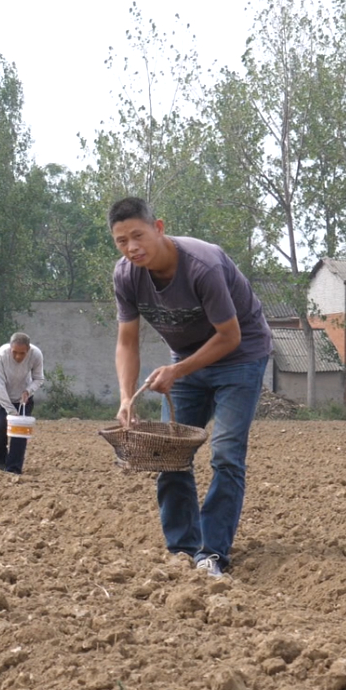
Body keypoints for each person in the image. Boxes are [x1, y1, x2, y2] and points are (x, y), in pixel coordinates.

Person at [110, 197, 272, 578]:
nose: (132, 247)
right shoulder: (126, 276)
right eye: (121, 241)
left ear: (159, 227)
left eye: (138, 235)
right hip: (185, 362)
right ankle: (183, 550)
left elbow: (230, 336)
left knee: (226, 454)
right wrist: (124, 397)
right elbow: (127, 342)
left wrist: (177, 371)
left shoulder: (203, 265)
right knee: (171, 454)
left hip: (240, 357)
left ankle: (212, 554)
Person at [0, 332, 44, 474]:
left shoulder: (36, 355)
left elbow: (39, 378)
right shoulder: (1, 355)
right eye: (15, 352)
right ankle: (0, 462)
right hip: (0, 398)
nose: (18, 357)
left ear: (28, 350)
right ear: (10, 348)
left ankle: (13, 469)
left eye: (22, 353)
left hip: (23, 399)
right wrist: (11, 410)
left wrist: (28, 391)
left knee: (19, 434)